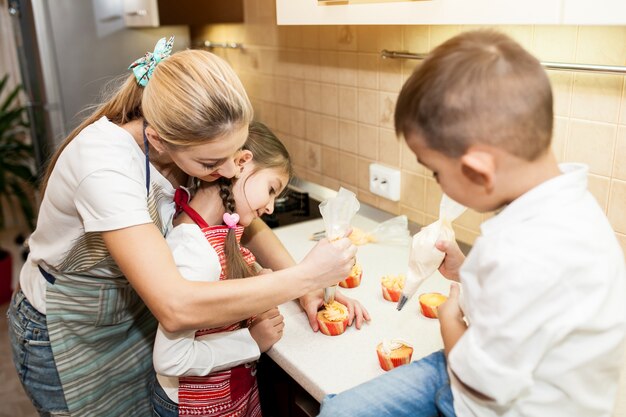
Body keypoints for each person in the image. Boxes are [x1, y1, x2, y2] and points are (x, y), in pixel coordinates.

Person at [7, 37, 359, 417]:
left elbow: (244, 223)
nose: (227, 172)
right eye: (212, 164)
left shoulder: (191, 145)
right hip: (69, 330)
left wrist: (304, 287)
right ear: (158, 139)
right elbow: (174, 306)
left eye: (235, 154)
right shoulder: (104, 166)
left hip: (136, 313)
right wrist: (304, 278)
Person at [318, 29, 626, 417]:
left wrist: (449, 319)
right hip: (485, 365)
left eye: (435, 172)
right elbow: (524, 306)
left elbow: (483, 384)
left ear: (478, 172)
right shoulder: (569, 204)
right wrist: (467, 273)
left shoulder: (523, 251)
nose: (437, 182)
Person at [150, 122, 362, 417]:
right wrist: (251, 341)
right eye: (271, 189)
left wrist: (301, 289)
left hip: (232, 394)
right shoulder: (193, 250)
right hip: (196, 407)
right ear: (241, 163)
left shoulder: (225, 229)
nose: (271, 208)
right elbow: (171, 360)